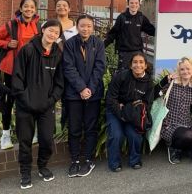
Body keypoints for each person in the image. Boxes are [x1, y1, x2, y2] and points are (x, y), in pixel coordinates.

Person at [12, 19, 64, 189]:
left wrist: (51, 100)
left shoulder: (58, 54)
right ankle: (25, 172)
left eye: (56, 33)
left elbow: (59, 83)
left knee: (47, 140)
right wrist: (24, 99)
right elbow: (17, 79)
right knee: (25, 141)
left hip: (46, 107)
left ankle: (43, 166)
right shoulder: (27, 49)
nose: (53, 34)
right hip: (25, 106)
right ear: (43, 29)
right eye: (50, 30)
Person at [0, 0, 41, 150]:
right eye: (26, 6)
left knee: (30, 101)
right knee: (8, 102)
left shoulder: (39, 27)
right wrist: (7, 44)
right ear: (21, 8)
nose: (29, 9)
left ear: (35, 10)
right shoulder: (11, 25)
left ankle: (32, 133)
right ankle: (5, 135)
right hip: (11, 70)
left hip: (30, 71)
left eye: (32, 7)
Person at [63, 14, 106, 178]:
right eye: (82, 25)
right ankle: (74, 160)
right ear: (77, 26)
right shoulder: (69, 44)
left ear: (92, 27)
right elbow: (68, 68)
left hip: (93, 94)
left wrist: (90, 89)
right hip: (74, 94)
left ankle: (88, 159)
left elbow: (99, 67)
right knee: (74, 128)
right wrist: (81, 88)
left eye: (89, 26)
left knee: (90, 128)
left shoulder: (98, 43)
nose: (85, 28)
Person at [105, 52, 155, 171]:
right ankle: (114, 163)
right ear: (130, 65)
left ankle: (135, 160)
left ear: (146, 65)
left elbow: (147, 103)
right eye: (135, 62)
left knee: (135, 136)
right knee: (116, 135)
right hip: (115, 111)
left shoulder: (149, 82)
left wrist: (130, 109)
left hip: (133, 114)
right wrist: (121, 112)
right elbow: (110, 98)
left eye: (141, 62)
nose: (138, 65)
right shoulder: (121, 76)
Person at [156, 57, 192, 165]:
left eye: (188, 68)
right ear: (178, 71)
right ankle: (173, 148)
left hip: (187, 126)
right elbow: (153, 94)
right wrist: (164, 81)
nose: (185, 72)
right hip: (170, 125)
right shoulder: (171, 84)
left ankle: (184, 146)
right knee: (188, 135)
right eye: (182, 69)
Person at [104, 0, 155, 71]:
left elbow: (152, 31)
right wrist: (102, 46)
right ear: (128, 4)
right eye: (131, 3)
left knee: (137, 74)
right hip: (124, 53)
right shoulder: (122, 17)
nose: (134, 5)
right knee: (123, 75)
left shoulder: (142, 18)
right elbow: (113, 34)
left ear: (139, 5)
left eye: (136, 3)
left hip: (138, 52)